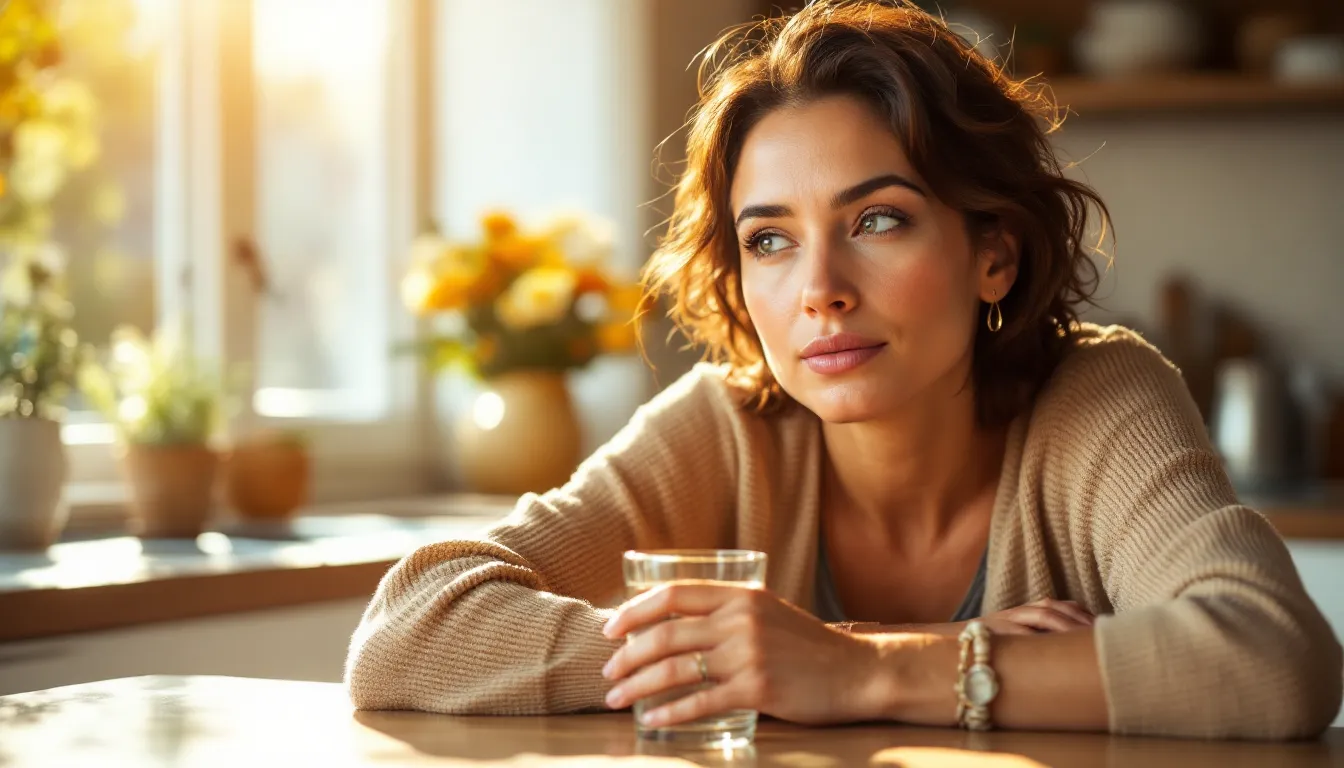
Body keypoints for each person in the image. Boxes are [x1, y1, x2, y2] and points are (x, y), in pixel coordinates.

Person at [345, 0, 1342, 738]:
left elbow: (1272, 660)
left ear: (992, 250)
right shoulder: (728, 423)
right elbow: (410, 628)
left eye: (877, 220)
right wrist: (768, 657)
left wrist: (864, 669)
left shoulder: (1097, 399)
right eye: (770, 241)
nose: (819, 288)